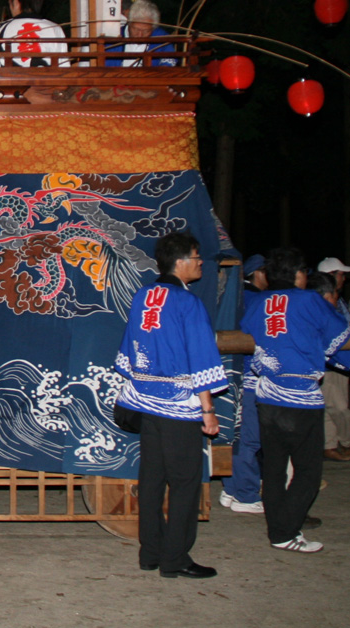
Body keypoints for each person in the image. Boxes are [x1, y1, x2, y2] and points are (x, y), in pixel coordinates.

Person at [113, 232, 225, 579]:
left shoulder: (143, 295)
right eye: (196, 255)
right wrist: (207, 410)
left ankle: (151, 552)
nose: (200, 261)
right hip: (178, 406)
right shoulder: (187, 303)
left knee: (152, 478)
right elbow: (201, 357)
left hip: (147, 401)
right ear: (181, 262)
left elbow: (127, 355)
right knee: (185, 481)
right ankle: (175, 558)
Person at [241, 247, 350, 553]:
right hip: (300, 398)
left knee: (274, 469)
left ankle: (278, 528)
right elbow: (338, 337)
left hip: (266, 396)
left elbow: (249, 339)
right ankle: (284, 531)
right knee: (308, 471)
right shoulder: (310, 301)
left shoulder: (258, 303)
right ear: (297, 275)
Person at [220, 252, 267, 515]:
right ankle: (247, 495)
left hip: (229, 375)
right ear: (258, 273)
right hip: (251, 377)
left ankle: (231, 487)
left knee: (233, 434)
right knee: (249, 439)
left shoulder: (234, 297)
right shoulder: (260, 300)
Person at [317, 256, 350, 462]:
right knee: (337, 406)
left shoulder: (337, 299)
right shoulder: (325, 300)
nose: (344, 278)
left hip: (334, 361)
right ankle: (343, 442)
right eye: (341, 274)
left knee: (332, 405)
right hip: (333, 361)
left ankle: (330, 444)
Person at [0, 0, 68, 67]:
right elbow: (63, 66)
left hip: (12, 81)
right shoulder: (55, 28)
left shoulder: (2, 28)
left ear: (16, 2)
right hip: (47, 80)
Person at [105, 0, 178, 67]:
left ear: (153, 27)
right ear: (129, 22)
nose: (140, 35)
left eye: (146, 31)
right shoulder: (114, 36)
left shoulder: (162, 37)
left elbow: (169, 62)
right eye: (135, 29)